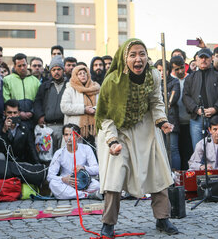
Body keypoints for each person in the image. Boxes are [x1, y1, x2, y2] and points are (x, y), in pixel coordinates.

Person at [95, 38, 178, 237]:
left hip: (145, 127)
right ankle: (108, 223)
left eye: (142, 54)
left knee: (159, 172)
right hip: (117, 130)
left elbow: (156, 101)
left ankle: (162, 219)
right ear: (125, 58)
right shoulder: (112, 82)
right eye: (132, 55)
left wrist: (161, 121)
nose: (138, 59)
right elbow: (105, 116)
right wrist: (113, 141)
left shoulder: (153, 76)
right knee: (114, 176)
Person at [183, 48, 218, 149]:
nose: (203, 60)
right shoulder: (190, 78)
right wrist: (196, 109)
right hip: (197, 118)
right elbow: (186, 96)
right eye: (201, 57)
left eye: (206, 58)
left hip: (215, 118)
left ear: (211, 59)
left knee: (217, 148)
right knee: (198, 149)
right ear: (196, 59)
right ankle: (200, 166)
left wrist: (215, 108)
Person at [47, 124, 100, 199]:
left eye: (72, 135)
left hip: (83, 183)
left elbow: (97, 169)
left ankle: (70, 195)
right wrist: (63, 179)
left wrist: (84, 168)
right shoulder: (59, 153)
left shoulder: (86, 149)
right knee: (53, 184)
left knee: (97, 185)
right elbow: (50, 176)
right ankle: (86, 195)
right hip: (66, 184)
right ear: (63, 136)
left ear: (78, 136)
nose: (69, 138)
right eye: (66, 135)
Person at [60, 65, 100, 150]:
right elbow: (64, 107)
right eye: (79, 74)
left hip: (94, 130)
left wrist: (96, 109)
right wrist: (84, 109)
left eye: (85, 73)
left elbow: (102, 104)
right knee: (77, 156)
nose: (83, 75)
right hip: (77, 129)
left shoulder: (96, 89)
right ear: (75, 76)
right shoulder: (70, 89)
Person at [34, 56, 68, 153]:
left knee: (63, 156)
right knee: (47, 156)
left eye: (59, 69)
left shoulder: (69, 85)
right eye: (53, 70)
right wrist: (40, 116)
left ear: (63, 70)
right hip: (48, 127)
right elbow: (37, 102)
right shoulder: (45, 86)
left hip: (64, 127)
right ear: (50, 71)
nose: (56, 72)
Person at [0, 99, 40, 164]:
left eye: (15, 113)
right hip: (4, 164)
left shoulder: (25, 128)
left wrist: (38, 164)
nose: (12, 115)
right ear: (4, 113)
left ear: (19, 113)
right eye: (9, 113)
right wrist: (4, 131)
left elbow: (31, 148)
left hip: (20, 163)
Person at [3, 53, 40, 129]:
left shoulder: (36, 81)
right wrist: (19, 112)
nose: (22, 68)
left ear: (27, 64)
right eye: (19, 66)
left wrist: (32, 112)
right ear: (14, 66)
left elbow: (39, 99)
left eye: (24, 65)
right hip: (14, 119)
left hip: (32, 119)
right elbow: (6, 99)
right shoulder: (7, 80)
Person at [170, 56, 193, 170]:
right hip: (175, 122)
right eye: (176, 69)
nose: (180, 71)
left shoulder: (191, 78)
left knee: (188, 151)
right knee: (175, 149)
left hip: (189, 121)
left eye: (182, 68)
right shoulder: (169, 81)